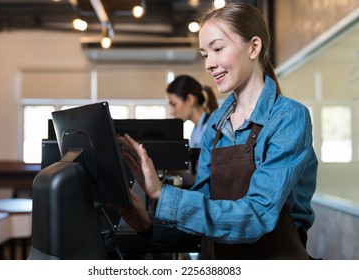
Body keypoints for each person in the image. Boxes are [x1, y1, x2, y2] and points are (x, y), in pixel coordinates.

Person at [116, 2, 317, 260]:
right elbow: (202, 221)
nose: (209, 64)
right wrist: (145, 223)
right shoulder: (216, 126)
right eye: (204, 54)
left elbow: (257, 216)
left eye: (218, 49)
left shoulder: (288, 118)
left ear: (253, 47)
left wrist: (162, 194)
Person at [166, 75, 218, 148]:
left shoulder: (212, 130)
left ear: (190, 99)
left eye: (174, 104)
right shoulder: (195, 131)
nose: (172, 112)